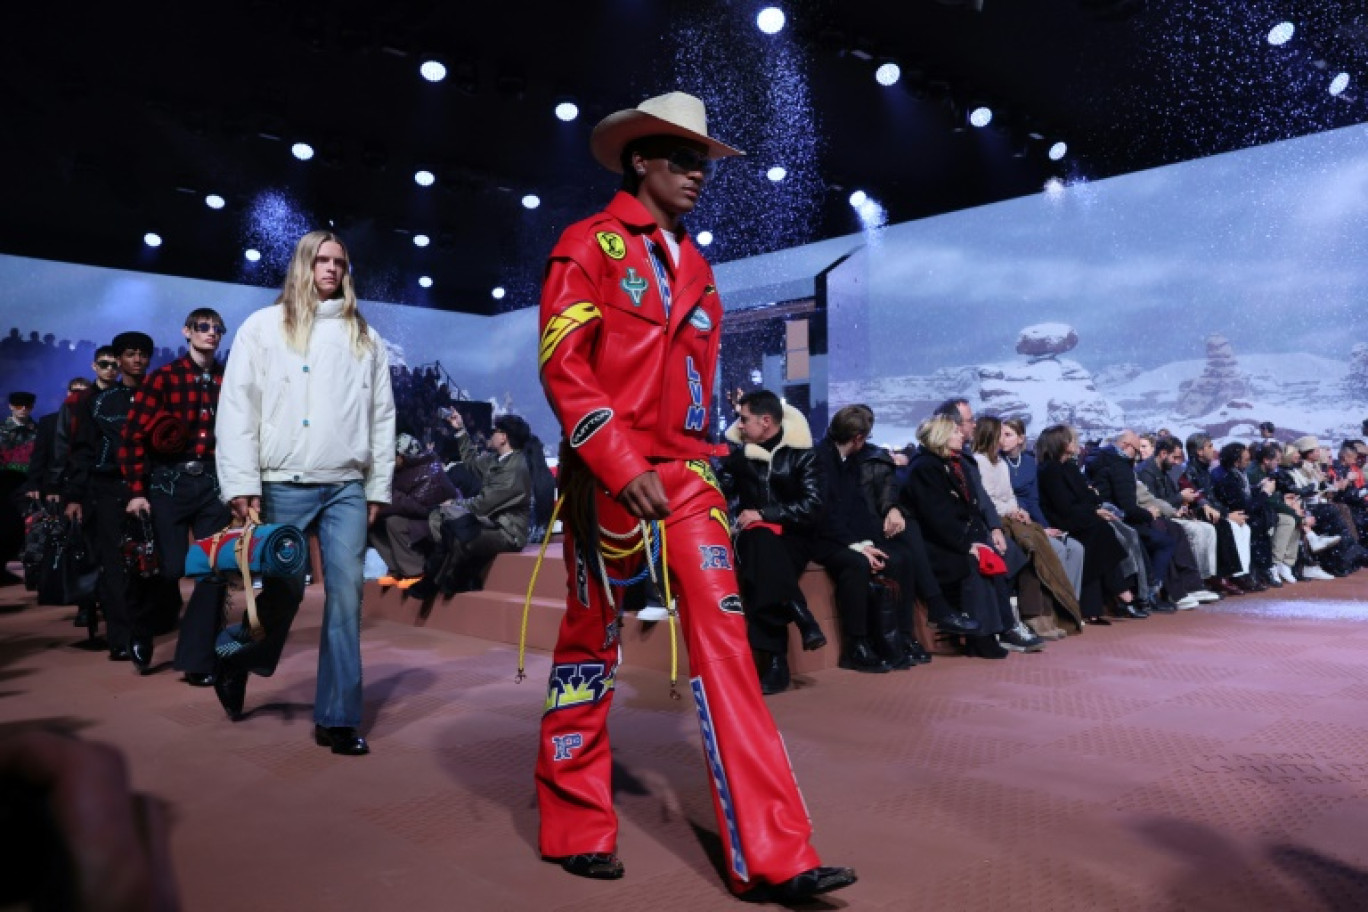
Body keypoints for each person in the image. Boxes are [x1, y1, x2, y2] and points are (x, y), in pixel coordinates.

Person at [533, 91, 854, 900]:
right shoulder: (587, 246)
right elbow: (562, 365)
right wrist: (614, 458)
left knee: (728, 644)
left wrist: (702, 463)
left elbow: (693, 386)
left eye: (703, 161)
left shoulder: (701, 271)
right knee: (588, 645)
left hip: (688, 479)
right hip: (607, 475)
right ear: (639, 158)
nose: (696, 174)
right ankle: (575, 821)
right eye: (681, 158)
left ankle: (777, 853)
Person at [214, 230, 396, 757]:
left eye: (340, 261)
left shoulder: (365, 336)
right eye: (321, 259)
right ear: (302, 265)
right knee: (285, 595)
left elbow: (382, 417)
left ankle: (338, 718)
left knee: (347, 598)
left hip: (346, 486)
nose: (331, 268)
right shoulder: (263, 328)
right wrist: (242, 481)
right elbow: (238, 409)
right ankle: (235, 653)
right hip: (281, 480)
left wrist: (377, 484)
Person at [118, 309, 233, 684]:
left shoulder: (229, 380)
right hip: (168, 483)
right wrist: (137, 491)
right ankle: (141, 627)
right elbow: (132, 436)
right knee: (167, 569)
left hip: (214, 483)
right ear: (187, 331)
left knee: (212, 571)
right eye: (203, 327)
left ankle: (197, 659)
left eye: (217, 329)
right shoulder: (163, 379)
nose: (211, 333)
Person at [901, 415, 1026, 658]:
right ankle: (980, 637)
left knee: (995, 556)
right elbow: (937, 519)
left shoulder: (955, 463)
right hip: (936, 544)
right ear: (942, 437)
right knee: (974, 562)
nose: (962, 435)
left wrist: (985, 536)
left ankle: (1002, 628)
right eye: (956, 432)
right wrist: (968, 544)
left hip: (959, 537)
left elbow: (973, 508)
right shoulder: (925, 468)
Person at [65, 332, 154, 660]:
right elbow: (83, 449)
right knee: (115, 564)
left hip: (151, 488)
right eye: (130, 354)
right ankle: (120, 637)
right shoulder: (97, 401)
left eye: (143, 354)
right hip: (108, 488)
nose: (137, 360)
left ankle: (147, 629)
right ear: (118, 359)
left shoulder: (158, 393)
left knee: (152, 562)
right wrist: (74, 495)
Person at [972, 417, 1084, 636]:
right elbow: (987, 501)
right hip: (995, 523)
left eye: (1007, 434)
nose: (1003, 440)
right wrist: (1012, 512)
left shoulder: (1003, 463)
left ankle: (1056, 611)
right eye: (1000, 435)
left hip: (1013, 519)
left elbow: (1011, 496)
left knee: (1052, 546)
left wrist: (1021, 512)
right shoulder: (979, 462)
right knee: (1033, 551)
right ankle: (1035, 615)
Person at [410, 412, 531, 599]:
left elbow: (484, 504)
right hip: (489, 521)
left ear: (504, 437)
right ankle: (440, 578)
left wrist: (455, 504)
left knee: (459, 532)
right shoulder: (496, 460)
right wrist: (460, 430)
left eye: (495, 431)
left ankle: (439, 580)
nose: (491, 434)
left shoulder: (515, 469)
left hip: (507, 529)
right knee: (440, 516)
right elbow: (472, 462)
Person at [1035, 423, 1143, 624]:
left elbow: (1089, 497)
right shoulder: (1050, 470)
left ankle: (1094, 607)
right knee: (1099, 532)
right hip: (1061, 519)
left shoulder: (1069, 467)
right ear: (1061, 443)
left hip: (1079, 516)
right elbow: (1064, 505)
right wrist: (1091, 506)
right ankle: (1120, 591)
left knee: (1099, 535)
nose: (1077, 443)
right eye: (1072, 439)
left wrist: (1092, 506)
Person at [370, 433, 458, 589]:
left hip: (437, 520)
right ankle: (396, 568)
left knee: (394, 522)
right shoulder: (399, 471)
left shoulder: (431, 471)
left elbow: (417, 507)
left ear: (403, 456)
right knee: (373, 522)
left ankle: (415, 571)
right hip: (418, 516)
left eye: (393, 456)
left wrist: (385, 502)